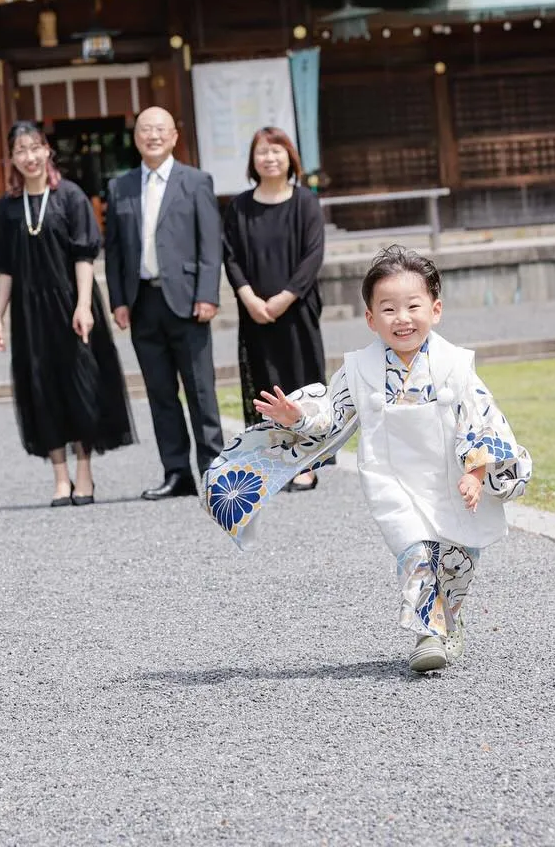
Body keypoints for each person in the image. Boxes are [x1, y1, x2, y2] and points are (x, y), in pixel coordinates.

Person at [203, 246, 532, 673]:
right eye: (388, 308)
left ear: (435, 309)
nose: (402, 318)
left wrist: (476, 471)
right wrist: (298, 415)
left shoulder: (454, 365)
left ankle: (448, 621)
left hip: (451, 478)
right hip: (391, 479)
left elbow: (480, 419)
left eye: (413, 306)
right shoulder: (360, 369)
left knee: (456, 561)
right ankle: (427, 634)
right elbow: (333, 411)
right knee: (415, 551)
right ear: (370, 318)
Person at [0, 122, 135, 506]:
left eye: (35, 147)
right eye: (21, 150)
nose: (30, 157)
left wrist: (84, 305)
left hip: (71, 305)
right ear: (12, 158)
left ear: (47, 150)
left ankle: (84, 473)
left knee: (79, 385)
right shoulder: (5, 208)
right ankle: (60, 478)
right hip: (29, 311)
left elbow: (84, 255)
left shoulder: (69, 196)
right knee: (41, 389)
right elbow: (4, 268)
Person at [103, 106, 224, 500]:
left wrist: (208, 294)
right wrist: (118, 300)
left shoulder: (196, 181)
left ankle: (213, 471)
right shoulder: (119, 187)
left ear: (174, 136)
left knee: (201, 391)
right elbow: (115, 251)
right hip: (142, 302)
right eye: (144, 130)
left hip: (188, 300)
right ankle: (176, 472)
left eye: (160, 129)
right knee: (160, 393)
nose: (152, 136)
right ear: (136, 138)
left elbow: (211, 245)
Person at [222, 127, 327, 492]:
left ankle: (306, 461)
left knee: (302, 384)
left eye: (276, 151)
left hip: (296, 310)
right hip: (256, 314)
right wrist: (250, 298)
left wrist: (286, 296)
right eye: (262, 152)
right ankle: (274, 458)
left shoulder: (305, 203)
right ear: (253, 161)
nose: (269, 158)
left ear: (290, 158)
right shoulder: (239, 207)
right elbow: (230, 257)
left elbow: (313, 255)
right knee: (265, 384)